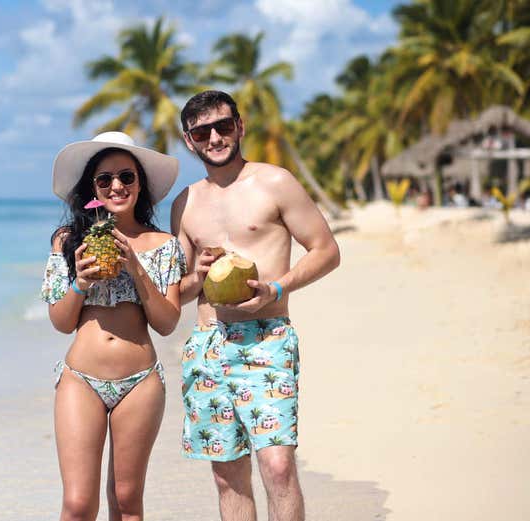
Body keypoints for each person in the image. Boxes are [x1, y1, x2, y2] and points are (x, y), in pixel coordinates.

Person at [170, 91, 340, 521]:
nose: (215, 137)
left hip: (266, 339)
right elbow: (179, 292)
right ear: (189, 140)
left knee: (278, 467)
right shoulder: (185, 203)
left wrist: (277, 290)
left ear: (240, 127)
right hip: (208, 344)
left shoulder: (275, 182)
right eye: (202, 131)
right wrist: (200, 276)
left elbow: (325, 250)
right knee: (228, 475)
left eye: (223, 126)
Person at [41, 131, 186, 521]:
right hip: (80, 378)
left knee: (126, 502)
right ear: (92, 187)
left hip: (139, 381)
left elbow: (168, 322)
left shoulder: (164, 244)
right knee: (76, 505)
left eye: (127, 176)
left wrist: (136, 268)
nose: (116, 186)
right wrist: (80, 283)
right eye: (104, 179)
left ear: (141, 184)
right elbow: (60, 321)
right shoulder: (69, 240)